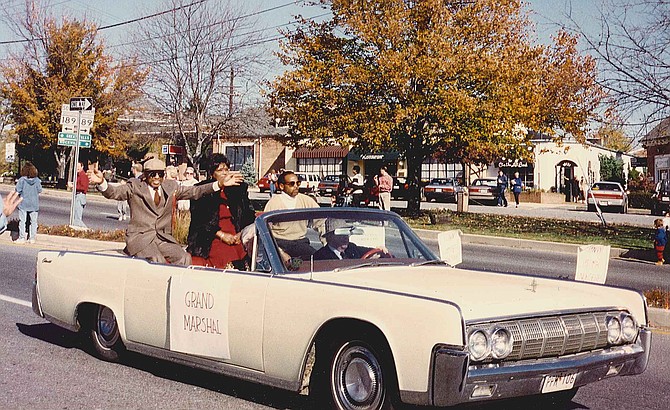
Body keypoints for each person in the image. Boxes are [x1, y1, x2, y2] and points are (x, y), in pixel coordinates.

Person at [88, 158, 244, 265]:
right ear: (145, 175)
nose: (157, 177)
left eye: (160, 174)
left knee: (183, 258)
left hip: (162, 238)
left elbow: (194, 191)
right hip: (141, 238)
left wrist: (219, 184)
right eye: (152, 174)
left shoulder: (170, 187)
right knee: (157, 261)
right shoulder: (134, 187)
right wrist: (101, 182)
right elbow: (114, 193)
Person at [187, 155, 256, 270]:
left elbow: (248, 214)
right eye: (219, 170)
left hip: (237, 234)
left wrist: (241, 233)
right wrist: (222, 235)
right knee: (225, 257)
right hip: (212, 235)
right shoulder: (202, 189)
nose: (224, 173)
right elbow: (200, 221)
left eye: (226, 169)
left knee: (247, 256)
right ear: (212, 173)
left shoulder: (237, 188)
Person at [264, 170, 323, 260]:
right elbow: (265, 231)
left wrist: (328, 245)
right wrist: (280, 252)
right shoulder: (273, 203)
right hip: (280, 245)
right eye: (292, 184)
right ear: (281, 186)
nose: (296, 186)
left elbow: (321, 221)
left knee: (318, 261)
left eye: (298, 183)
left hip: (300, 244)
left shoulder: (306, 200)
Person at [14, 162, 42, 244]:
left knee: (22, 221)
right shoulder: (37, 180)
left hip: (23, 203)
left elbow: (17, 190)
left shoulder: (22, 180)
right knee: (33, 222)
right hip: (34, 203)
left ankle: (22, 237)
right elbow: (39, 190)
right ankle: (32, 238)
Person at [72, 160, 89, 228]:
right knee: (75, 216)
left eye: (79, 166)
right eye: (76, 166)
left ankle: (86, 230)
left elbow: (83, 187)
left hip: (80, 196)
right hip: (77, 195)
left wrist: (73, 186)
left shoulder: (83, 176)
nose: (77, 168)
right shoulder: (78, 175)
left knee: (77, 218)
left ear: (82, 167)